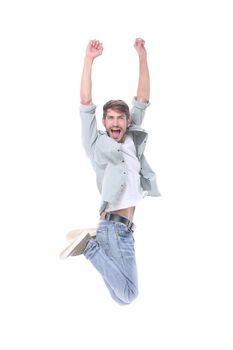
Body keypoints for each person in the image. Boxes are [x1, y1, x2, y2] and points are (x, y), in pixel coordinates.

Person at [60, 38, 160, 305]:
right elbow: (85, 102)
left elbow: (143, 98)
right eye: (110, 118)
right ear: (104, 122)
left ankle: (92, 244)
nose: (116, 122)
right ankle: (90, 247)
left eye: (120, 118)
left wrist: (142, 56)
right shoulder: (96, 143)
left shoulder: (132, 137)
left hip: (124, 230)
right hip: (114, 229)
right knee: (129, 294)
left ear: (127, 122)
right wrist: (89, 60)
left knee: (121, 298)